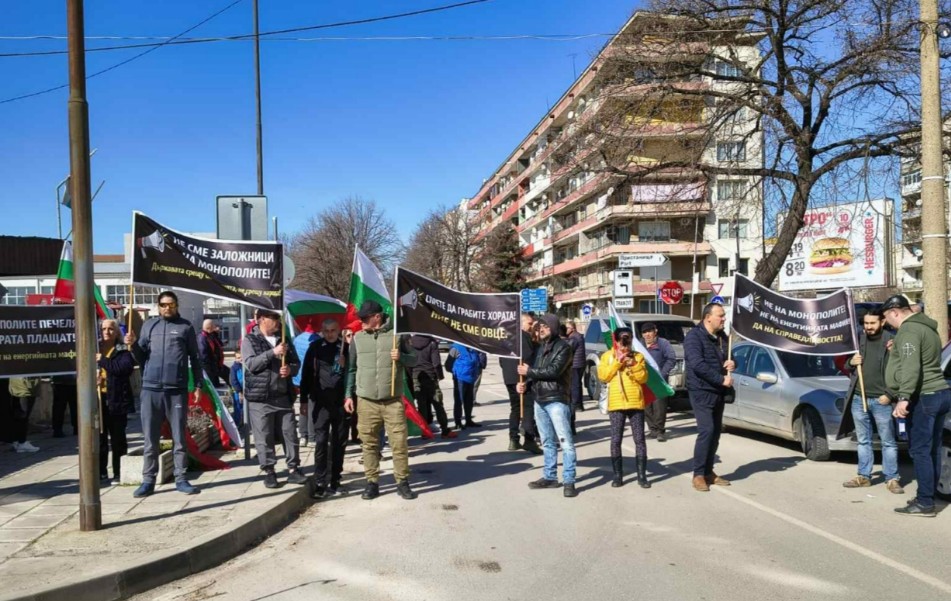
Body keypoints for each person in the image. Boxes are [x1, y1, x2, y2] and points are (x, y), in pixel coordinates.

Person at [126, 291, 202, 497]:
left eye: (170, 305)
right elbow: (141, 358)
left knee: (179, 437)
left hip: (176, 390)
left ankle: (181, 478)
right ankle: (148, 480)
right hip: (151, 389)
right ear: (157, 306)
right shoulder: (149, 326)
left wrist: (198, 386)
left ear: (176, 305)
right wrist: (132, 345)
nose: (166, 308)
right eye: (163, 305)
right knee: (150, 438)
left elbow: (195, 359)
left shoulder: (186, 327)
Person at [880, 295, 951, 517]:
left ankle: (924, 502)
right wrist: (897, 351)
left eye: (886, 318)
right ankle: (928, 495)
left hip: (924, 396)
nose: (886, 324)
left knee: (920, 450)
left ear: (895, 312)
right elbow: (921, 359)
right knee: (932, 450)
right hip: (940, 393)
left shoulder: (909, 330)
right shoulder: (928, 328)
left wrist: (903, 397)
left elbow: (912, 367)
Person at [344, 300, 418, 501]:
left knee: (399, 443)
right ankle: (372, 482)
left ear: (377, 317)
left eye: (365, 318)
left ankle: (402, 482)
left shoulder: (397, 336)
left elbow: (415, 359)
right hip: (366, 401)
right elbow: (351, 369)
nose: (361, 322)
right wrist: (348, 395)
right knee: (368, 443)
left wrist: (401, 356)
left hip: (392, 401)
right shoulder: (358, 339)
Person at [242, 308, 307, 489]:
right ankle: (269, 471)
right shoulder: (250, 340)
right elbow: (251, 365)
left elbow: (295, 362)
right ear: (262, 319)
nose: (278, 321)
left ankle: (294, 469)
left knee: (290, 433)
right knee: (264, 435)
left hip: (282, 395)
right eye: (274, 318)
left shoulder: (284, 339)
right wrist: (273, 353)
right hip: (260, 398)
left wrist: (290, 370)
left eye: (278, 317)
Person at [516, 314, 577, 497]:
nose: (540, 330)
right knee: (547, 442)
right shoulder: (540, 347)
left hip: (557, 400)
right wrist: (525, 384)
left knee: (565, 443)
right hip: (539, 399)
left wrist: (529, 370)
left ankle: (569, 481)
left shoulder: (563, 347)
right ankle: (550, 476)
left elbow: (554, 371)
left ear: (553, 327)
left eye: (545, 327)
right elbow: (536, 374)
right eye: (538, 327)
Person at [842, 311, 902, 494]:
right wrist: (852, 362)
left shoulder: (892, 341)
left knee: (888, 442)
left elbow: (902, 370)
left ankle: (892, 478)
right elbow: (845, 365)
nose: (868, 327)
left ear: (882, 322)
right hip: (859, 398)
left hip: (882, 400)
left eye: (872, 323)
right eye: (866, 323)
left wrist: (890, 394)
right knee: (863, 440)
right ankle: (863, 476)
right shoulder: (857, 340)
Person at [683, 302, 735, 493]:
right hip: (701, 390)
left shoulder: (722, 337)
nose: (723, 319)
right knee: (707, 430)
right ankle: (698, 475)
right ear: (708, 318)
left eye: (723, 315)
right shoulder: (693, 337)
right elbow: (697, 364)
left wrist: (731, 363)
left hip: (718, 392)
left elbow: (728, 358)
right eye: (720, 315)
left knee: (715, 433)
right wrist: (721, 379)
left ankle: (708, 471)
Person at [301, 318, 351, 498]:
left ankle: (335, 480)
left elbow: (353, 374)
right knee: (321, 442)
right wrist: (304, 401)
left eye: (333, 330)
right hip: (320, 403)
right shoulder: (315, 348)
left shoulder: (345, 348)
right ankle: (320, 482)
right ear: (322, 331)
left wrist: (346, 366)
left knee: (339, 443)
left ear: (339, 331)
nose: (330, 334)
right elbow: (306, 374)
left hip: (341, 403)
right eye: (327, 330)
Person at [598, 327, 650, 488]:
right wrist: (617, 362)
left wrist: (633, 364)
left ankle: (642, 476)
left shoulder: (638, 356)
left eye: (627, 341)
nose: (624, 345)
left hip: (635, 403)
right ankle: (617, 476)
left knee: (639, 439)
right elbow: (603, 376)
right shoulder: (607, 356)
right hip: (616, 404)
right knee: (616, 440)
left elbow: (643, 378)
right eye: (622, 341)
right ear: (616, 341)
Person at [97, 319, 135, 483]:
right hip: (99, 399)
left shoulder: (122, 350)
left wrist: (103, 361)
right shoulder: (94, 348)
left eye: (110, 329)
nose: (107, 332)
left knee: (118, 438)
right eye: (104, 329)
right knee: (100, 438)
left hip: (117, 399)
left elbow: (122, 369)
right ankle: (101, 471)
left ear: (116, 332)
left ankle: (119, 472)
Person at [500, 312, 541, 454]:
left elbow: (502, 360)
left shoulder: (507, 337)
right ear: (521, 322)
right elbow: (529, 359)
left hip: (510, 378)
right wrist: (524, 379)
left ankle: (513, 439)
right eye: (529, 323)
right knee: (527, 408)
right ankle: (529, 440)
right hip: (521, 379)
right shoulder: (523, 338)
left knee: (515, 408)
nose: (531, 326)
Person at [409, 334, 457, 439]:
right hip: (430, 376)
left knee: (422, 405)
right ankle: (445, 430)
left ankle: (425, 431)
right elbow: (436, 363)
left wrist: (411, 376)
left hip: (416, 376)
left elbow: (408, 362)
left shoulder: (410, 342)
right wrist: (440, 376)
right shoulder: (432, 343)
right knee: (438, 404)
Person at [641, 322, 677, 442]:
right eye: (644, 332)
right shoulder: (640, 345)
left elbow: (671, 358)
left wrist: (662, 374)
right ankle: (652, 430)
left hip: (659, 381)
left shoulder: (663, 343)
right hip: (644, 381)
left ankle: (660, 430)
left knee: (659, 407)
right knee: (647, 406)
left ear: (655, 331)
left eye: (649, 331)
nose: (647, 335)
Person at [447, 343, 487, 429]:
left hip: (471, 378)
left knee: (468, 401)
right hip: (459, 378)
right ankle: (458, 422)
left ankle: (468, 420)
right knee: (459, 400)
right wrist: (456, 372)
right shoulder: (456, 348)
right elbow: (448, 365)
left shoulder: (473, 348)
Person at [293, 325, 319, 447]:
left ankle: (303, 435)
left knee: (303, 406)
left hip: (299, 377)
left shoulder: (297, 339)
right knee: (312, 407)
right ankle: (312, 437)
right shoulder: (317, 339)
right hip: (312, 377)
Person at [8, 377, 40, 453]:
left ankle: (17, 441)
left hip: (17, 388)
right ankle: (22, 442)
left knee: (18, 415)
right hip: (25, 388)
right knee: (23, 415)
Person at [565, 319, 587, 416]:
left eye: (567, 328)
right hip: (580, 363)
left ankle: (576, 404)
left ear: (572, 328)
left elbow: (569, 349)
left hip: (575, 364)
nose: (566, 330)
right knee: (578, 384)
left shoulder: (573, 337)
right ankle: (579, 405)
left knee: (574, 385)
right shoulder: (578, 336)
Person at [198, 319, 226, 387]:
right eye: (213, 325)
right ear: (209, 327)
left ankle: (216, 383)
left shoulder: (210, 335)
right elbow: (203, 352)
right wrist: (208, 364)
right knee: (211, 382)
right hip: (208, 365)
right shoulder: (202, 337)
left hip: (214, 363)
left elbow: (217, 344)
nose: (215, 326)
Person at [229, 350, 244, 426]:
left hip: (245, 390)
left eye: (241, 357)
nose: (240, 359)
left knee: (244, 407)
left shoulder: (244, 366)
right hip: (237, 391)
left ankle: (243, 422)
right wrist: (239, 391)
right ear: (235, 358)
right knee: (238, 407)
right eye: (238, 358)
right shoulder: (234, 368)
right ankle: (237, 423)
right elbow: (233, 380)